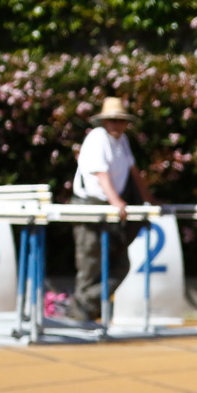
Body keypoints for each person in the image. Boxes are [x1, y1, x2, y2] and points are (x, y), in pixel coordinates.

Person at [69, 97, 154, 321]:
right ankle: (81, 311)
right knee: (91, 262)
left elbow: (133, 170)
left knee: (120, 264)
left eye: (120, 121)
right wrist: (116, 201)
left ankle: (84, 306)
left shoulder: (122, 140)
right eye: (112, 120)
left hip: (109, 206)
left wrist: (148, 199)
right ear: (104, 122)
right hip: (91, 205)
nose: (116, 125)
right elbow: (100, 173)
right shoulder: (97, 138)